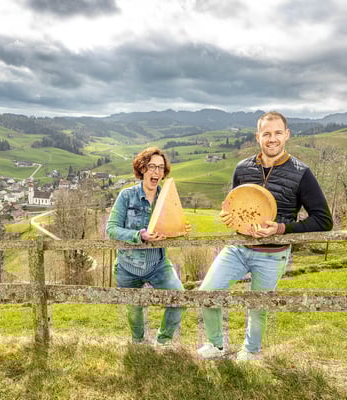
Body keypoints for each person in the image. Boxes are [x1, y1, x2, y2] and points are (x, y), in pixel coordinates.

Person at [197, 111, 333, 361]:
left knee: (258, 307)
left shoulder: (302, 173)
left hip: (273, 254)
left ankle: (250, 352)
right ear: (257, 136)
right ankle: (216, 345)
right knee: (208, 291)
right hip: (239, 247)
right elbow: (236, 206)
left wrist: (280, 229)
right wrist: (230, 218)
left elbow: (323, 220)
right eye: (266, 133)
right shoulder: (242, 168)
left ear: (287, 135)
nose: (272, 139)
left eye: (278, 133)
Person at [106, 146, 188, 345]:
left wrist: (180, 228)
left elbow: (172, 227)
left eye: (161, 168)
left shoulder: (165, 198)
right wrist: (139, 235)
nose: (156, 172)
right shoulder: (127, 196)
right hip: (127, 266)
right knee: (135, 311)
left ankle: (163, 341)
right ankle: (139, 343)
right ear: (142, 169)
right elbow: (111, 228)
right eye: (152, 166)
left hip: (158, 264)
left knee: (179, 299)